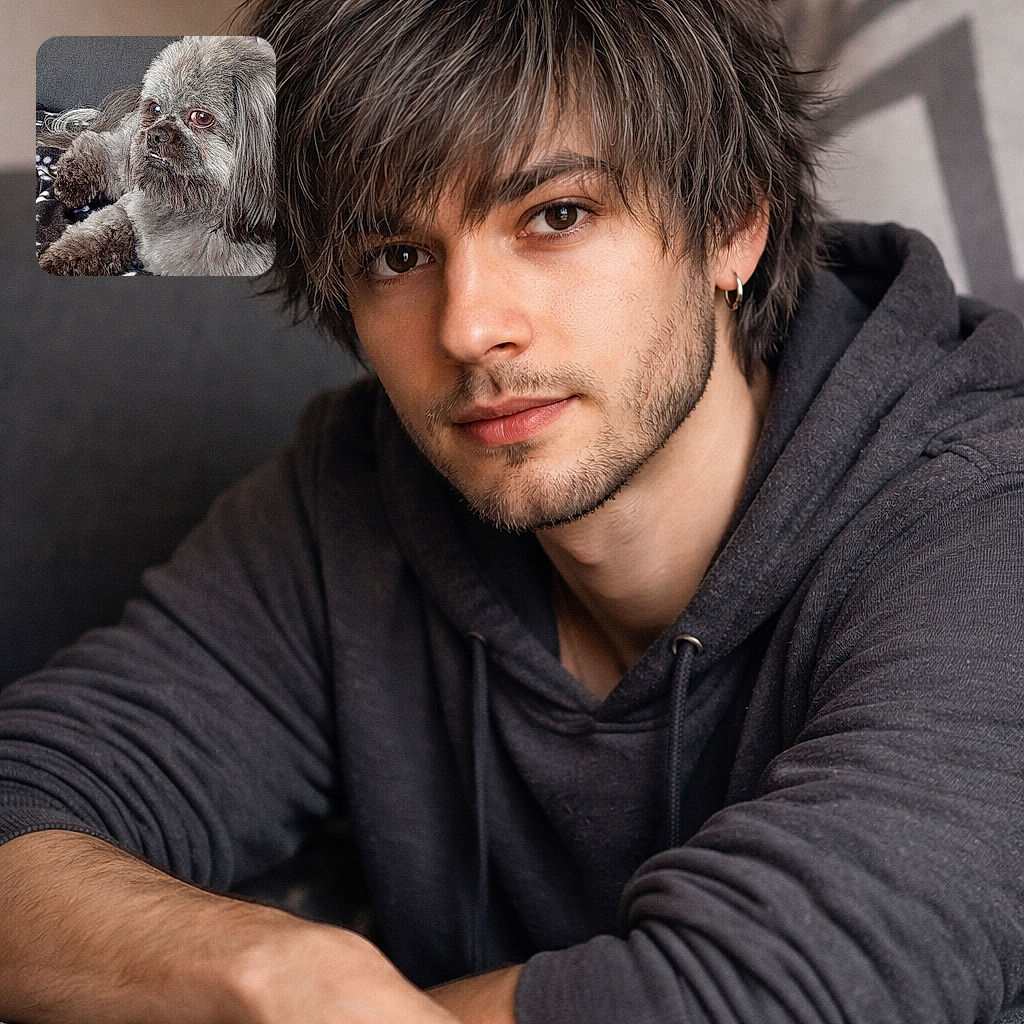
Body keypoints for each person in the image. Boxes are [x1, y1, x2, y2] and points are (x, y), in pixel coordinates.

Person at [1, 0, 1023, 1021]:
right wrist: (270, 977)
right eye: (397, 255)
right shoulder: (353, 497)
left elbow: (776, 989)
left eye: (555, 215)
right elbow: (25, 803)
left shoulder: (982, 512)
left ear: (733, 224)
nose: (470, 327)